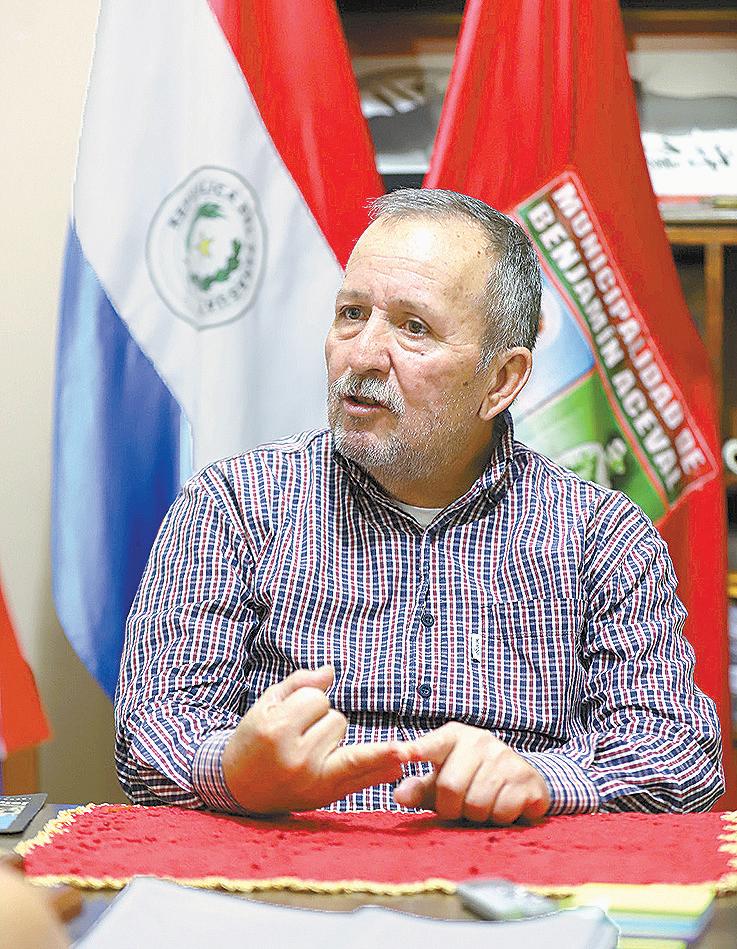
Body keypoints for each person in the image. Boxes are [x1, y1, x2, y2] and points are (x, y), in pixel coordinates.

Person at [115, 189, 724, 824]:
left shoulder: (600, 535)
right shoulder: (235, 505)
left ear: (501, 381)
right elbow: (149, 733)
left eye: (414, 328)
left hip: (504, 869)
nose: (362, 355)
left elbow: (680, 757)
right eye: (351, 314)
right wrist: (235, 771)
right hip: (298, 864)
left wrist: (542, 778)